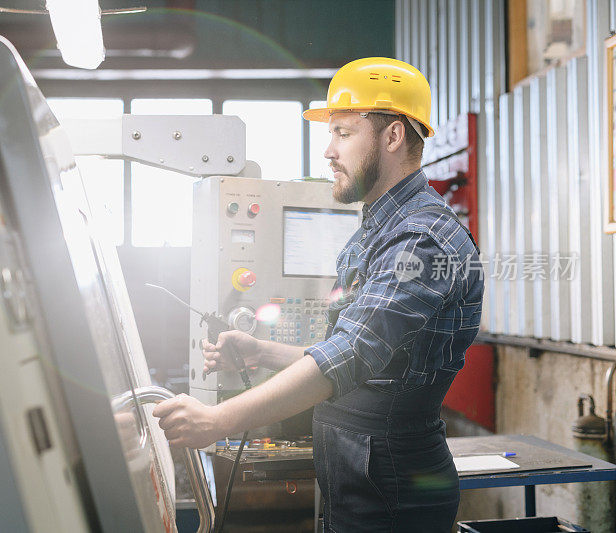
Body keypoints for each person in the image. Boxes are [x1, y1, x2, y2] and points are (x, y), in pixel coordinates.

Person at [153, 57, 484, 532]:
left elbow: (349, 355)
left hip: (392, 494)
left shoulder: (420, 239)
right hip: (362, 482)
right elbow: (357, 353)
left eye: (344, 133)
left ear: (393, 136)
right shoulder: (380, 229)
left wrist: (217, 420)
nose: (328, 151)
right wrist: (260, 351)